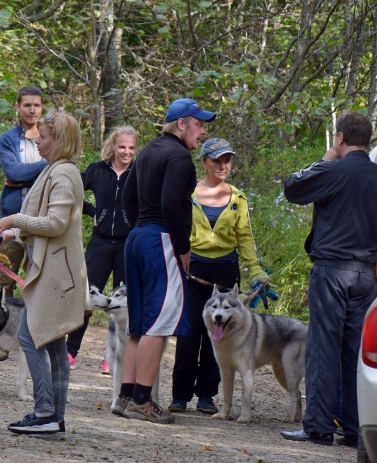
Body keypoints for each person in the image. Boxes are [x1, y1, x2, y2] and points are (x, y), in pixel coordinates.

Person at [280, 111, 377, 447]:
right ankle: (354, 430)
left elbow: (292, 187)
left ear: (340, 138)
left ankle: (319, 427)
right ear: (367, 140)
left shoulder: (333, 170)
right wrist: (367, 256)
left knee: (322, 348)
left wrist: (323, 160)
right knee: (355, 352)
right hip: (365, 275)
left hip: (331, 271)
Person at [115, 97, 215, 424]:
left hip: (138, 238)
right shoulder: (179, 157)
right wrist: (182, 246)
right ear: (182, 123)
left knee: (140, 323)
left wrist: (141, 226)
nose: (202, 131)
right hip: (160, 239)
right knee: (159, 322)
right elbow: (172, 203)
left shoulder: (147, 152)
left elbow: (128, 197)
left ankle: (126, 396)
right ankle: (142, 400)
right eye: (199, 124)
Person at [0, 111, 87, 437]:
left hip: (56, 275)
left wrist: (15, 220)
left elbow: (56, 224)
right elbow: (41, 221)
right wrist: (12, 234)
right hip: (53, 271)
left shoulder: (62, 175)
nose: (36, 140)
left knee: (29, 337)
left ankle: (45, 411)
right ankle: (54, 419)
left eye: (42, 137)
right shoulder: (53, 171)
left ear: (58, 140)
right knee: (54, 344)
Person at [168, 138, 269, 415]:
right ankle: (180, 395)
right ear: (203, 162)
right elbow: (177, 228)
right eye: (216, 160)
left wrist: (256, 269)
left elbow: (244, 236)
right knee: (189, 333)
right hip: (193, 268)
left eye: (227, 160)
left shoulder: (237, 197)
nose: (223, 165)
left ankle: (207, 396)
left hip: (225, 269)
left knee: (220, 335)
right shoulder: (188, 194)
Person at [65, 125, 138, 372]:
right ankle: (70, 352)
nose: (126, 152)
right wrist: (92, 211)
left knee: (122, 301)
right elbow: (73, 190)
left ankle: (111, 355)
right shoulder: (97, 170)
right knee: (86, 297)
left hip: (127, 244)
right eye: (122, 147)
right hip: (101, 241)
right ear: (113, 146)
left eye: (131, 147)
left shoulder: (138, 173)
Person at [0, 85, 48, 362]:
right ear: (18, 107)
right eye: (27, 105)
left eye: (36, 105)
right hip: (11, 218)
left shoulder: (51, 137)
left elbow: (62, 168)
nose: (32, 110)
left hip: (41, 220)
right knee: (5, 280)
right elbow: (12, 171)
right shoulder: (8, 139)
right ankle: (2, 338)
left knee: (38, 279)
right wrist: (45, 167)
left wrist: (24, 175)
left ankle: (35, 337)